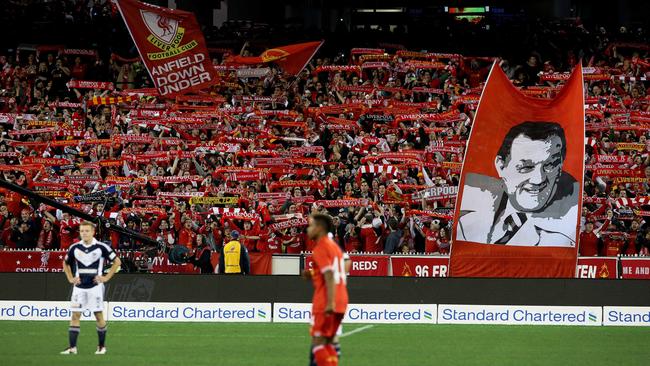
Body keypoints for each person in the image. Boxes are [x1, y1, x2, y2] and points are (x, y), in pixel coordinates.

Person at [456, 121, 580, 246]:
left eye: (550, 165)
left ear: (560, 166)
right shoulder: (470, 208)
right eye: (526, 167)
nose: (538, 179)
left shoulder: (569, 230)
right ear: (501, 166)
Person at [60, 221, 121, 355]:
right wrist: (70, 278)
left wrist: (106, 277)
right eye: (82, 231)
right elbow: (65, 264)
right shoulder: (74, 247)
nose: (84, 233)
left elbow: (117, 262)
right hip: (79, 287)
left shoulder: (101, 247)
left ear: (93, 232)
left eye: (87, 231)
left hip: (95, 287)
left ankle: (101, 347)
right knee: (75, 315)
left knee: (98, 315)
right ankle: (72, 348)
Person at [304, 213, 349, 366]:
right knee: (329, 342)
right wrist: (312, 273)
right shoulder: (335, 247)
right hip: (342, 298)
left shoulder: (321, 246)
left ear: (319, 228)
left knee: (318, 343)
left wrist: (330, 302)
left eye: (310, 226)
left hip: (326, 300)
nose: (308, 229)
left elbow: (329, 274)